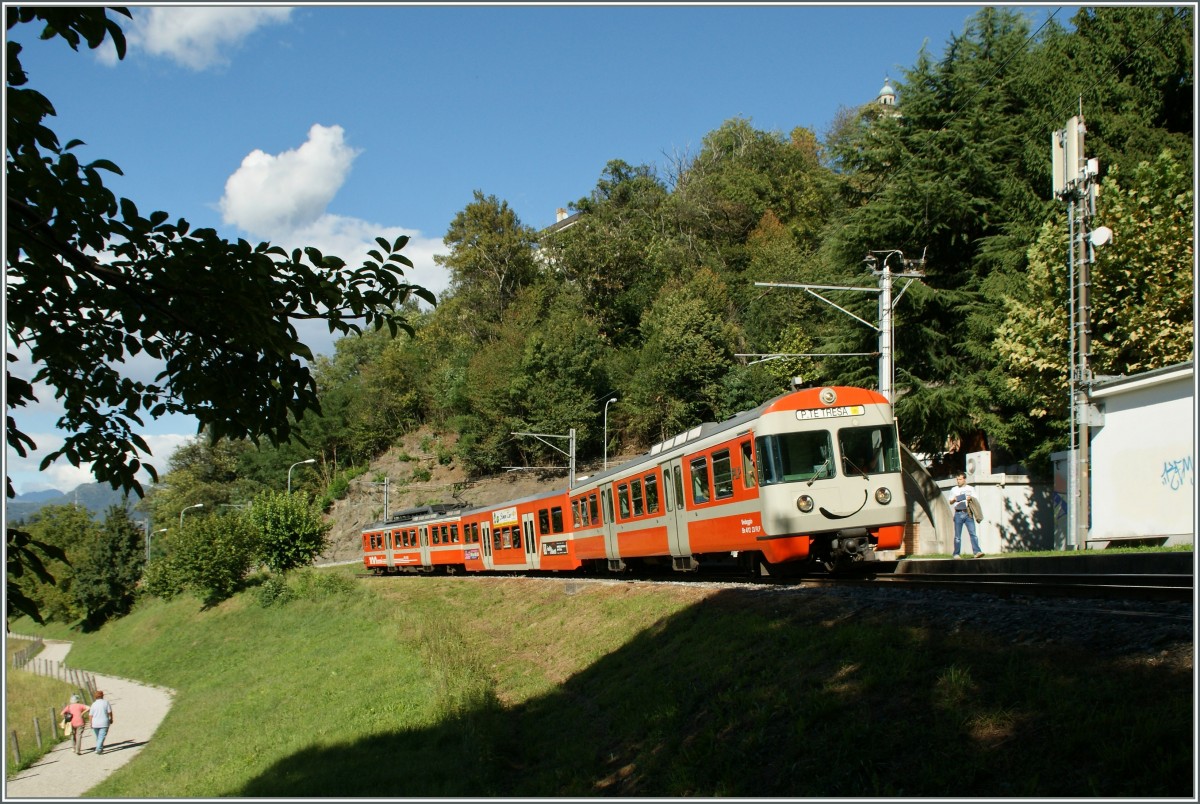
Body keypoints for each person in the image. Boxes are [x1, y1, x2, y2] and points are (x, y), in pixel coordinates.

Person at [949, 471, 984, 558]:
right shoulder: (954, 489)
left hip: (968, 513)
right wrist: (955, 499)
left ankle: (977, 552)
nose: (958, 481)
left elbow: (975, 499)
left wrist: (969, 498)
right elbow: (950, 501)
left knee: (973, 534)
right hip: (958, 513)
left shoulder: (970, 488)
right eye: (957, 479)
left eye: (960, 479)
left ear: (964, 479)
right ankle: (956, 554)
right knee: (957, 536)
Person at [88, 689, 113, 755]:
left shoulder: (93, 704)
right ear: (102, 696)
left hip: (95, 723)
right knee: (101, 737)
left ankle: (100, 748)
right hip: (104, 722)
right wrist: (111, 719)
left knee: (98, 737)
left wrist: (91, 723)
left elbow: (90, 715)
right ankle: (98, 749)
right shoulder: (106, 702)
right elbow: (109, 712)